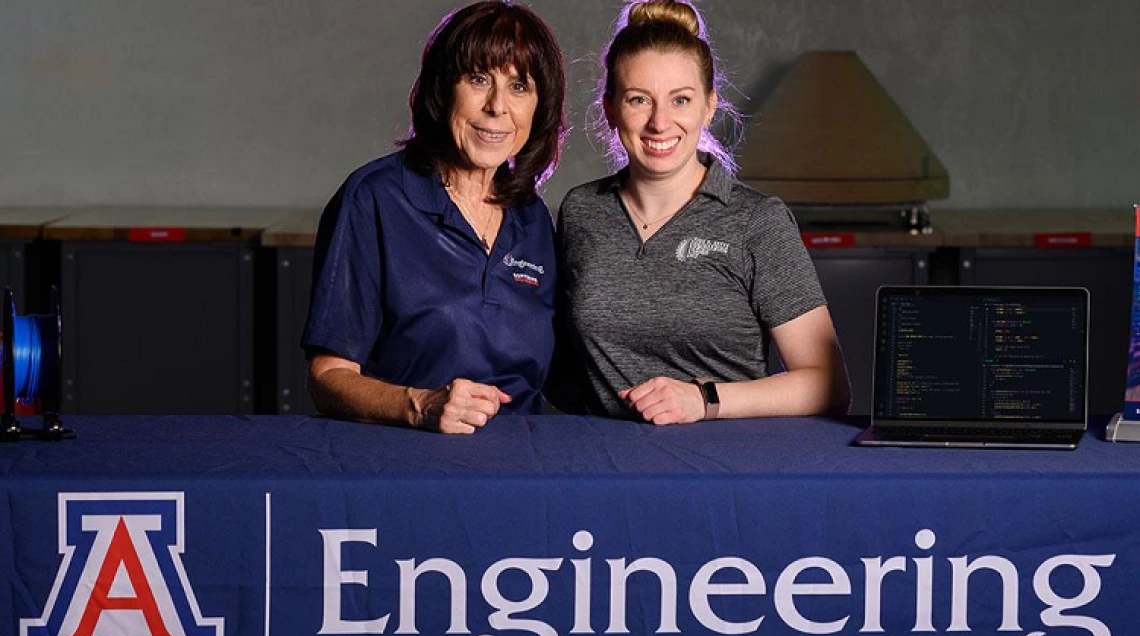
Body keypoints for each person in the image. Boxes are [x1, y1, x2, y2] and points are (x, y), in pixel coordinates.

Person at [553, 0, 850, 424]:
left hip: (724, 468)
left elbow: (830, 384)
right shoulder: (581, 211)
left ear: (709, 106)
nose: (660, 122)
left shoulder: (756, 221)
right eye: (639, 99)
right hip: (607, 467)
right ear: (611, 109)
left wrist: (704, 401)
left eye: (680, 99)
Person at [302, 1, 566, 433]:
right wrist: (420, 405)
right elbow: (327, 377)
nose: (497, 106)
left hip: (522, 469)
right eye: (478, 79)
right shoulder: (376, 199)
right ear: (444, 88)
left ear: (539, 107)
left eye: (520, 86)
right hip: (405, 467)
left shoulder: (532, 218)